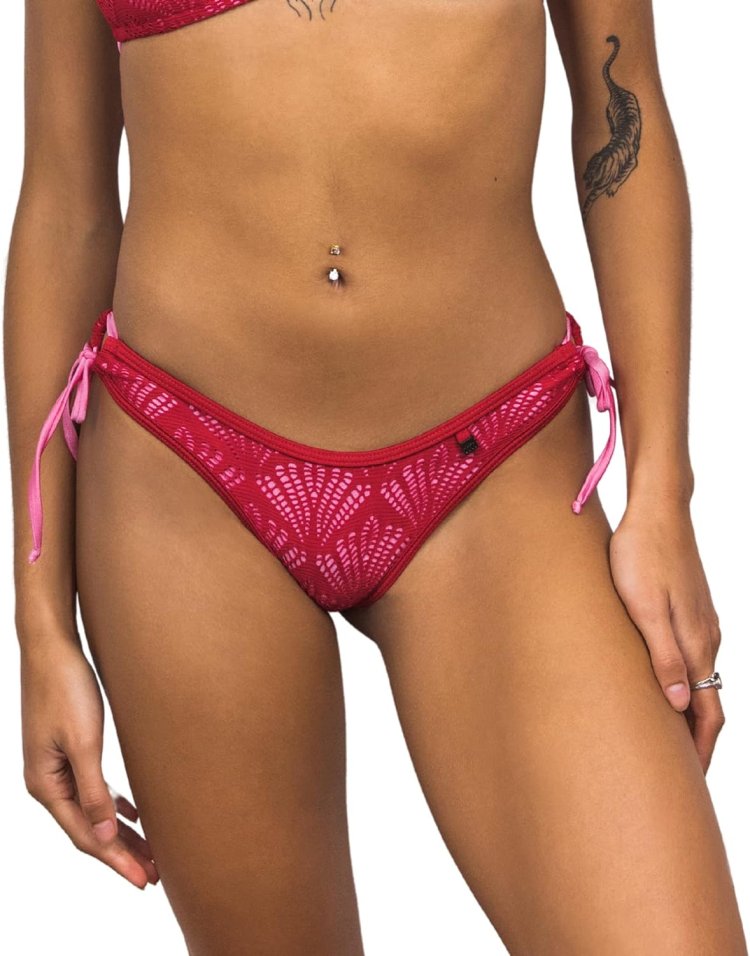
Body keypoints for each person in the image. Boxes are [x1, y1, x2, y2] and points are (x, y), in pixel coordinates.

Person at [5, 1, 746, 953]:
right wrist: (39, 627)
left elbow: (621, 102)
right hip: (184, 475)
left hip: (497, 464)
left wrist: (662, 494)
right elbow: (65, 200)